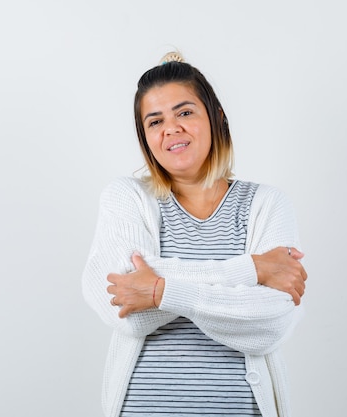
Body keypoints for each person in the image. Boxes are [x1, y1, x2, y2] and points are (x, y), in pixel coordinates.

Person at [82, 52, 308, 417]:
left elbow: (270, 325)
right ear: (146, 137)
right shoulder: (127, 197)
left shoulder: (266, 204)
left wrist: (160, 291)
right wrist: (249, 271)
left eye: (184, 113)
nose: (171, 128)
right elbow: (129, 314)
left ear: (216, 116)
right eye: (155, 121)